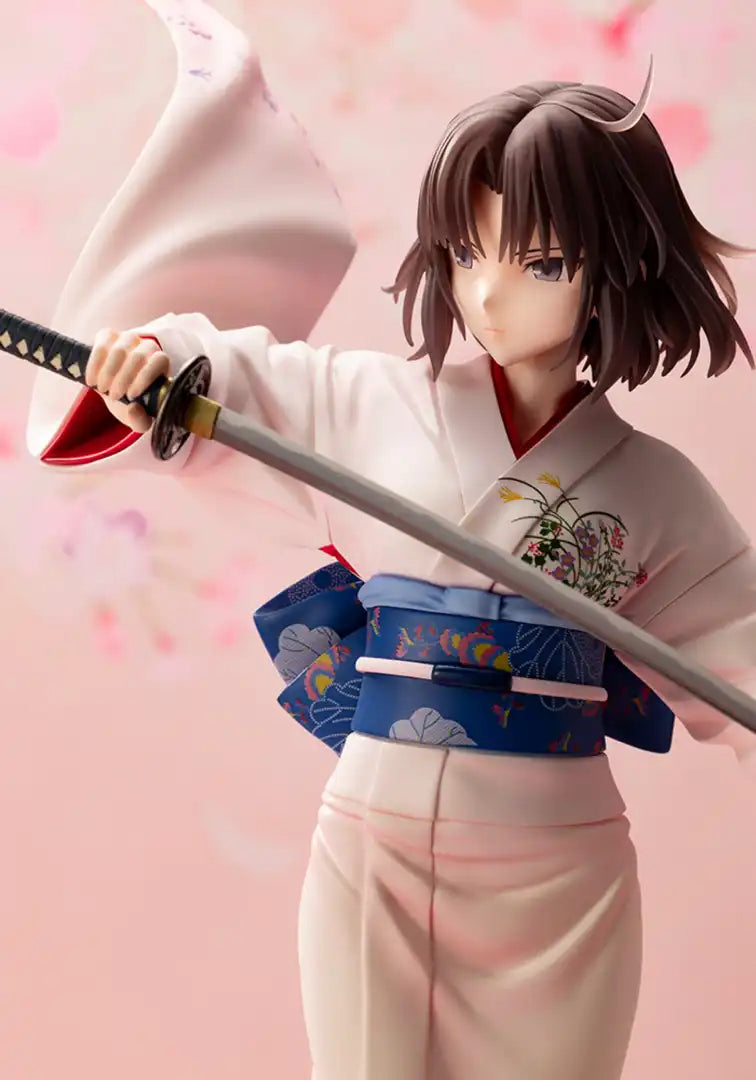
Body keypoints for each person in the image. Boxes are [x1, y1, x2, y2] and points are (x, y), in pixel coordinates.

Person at [26, 3, 756, 1078]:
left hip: (557, 871)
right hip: (375, 838)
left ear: (620, 264)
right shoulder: (367, 404)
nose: (489, 293)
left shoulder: (656, 490)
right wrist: (154, 365)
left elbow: (741, 649)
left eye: (541, 261)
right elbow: (228, 375)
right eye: (466, 252)